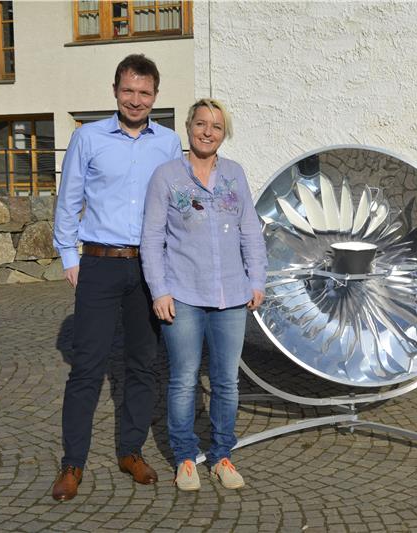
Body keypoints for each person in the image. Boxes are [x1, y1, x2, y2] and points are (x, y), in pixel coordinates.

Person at [52, 54, 183, 501]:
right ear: (115, 91)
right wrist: (69, 257)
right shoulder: (87, 137)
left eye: (144, 93)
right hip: (100, 264)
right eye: (128, 90)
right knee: (87, 368)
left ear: (155, 96)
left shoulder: (168, 143)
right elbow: (69, 200)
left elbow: (175, 207)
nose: (135, 99)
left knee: (143, 365)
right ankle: (73, 463)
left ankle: (131, 451)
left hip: (148, 267)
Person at [140, 98, 267, 491]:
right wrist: (159, 290)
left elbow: (250, 230)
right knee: (183, 380)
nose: (207, 132)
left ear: (224, 133)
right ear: (188, 126)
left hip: (231, 294)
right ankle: (185, 458)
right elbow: (152, 238)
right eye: (201, 124)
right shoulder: (166, 176)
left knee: (226, 382)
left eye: (216, 126)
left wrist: (257, 280)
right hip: (183, 294)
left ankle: (222, 455)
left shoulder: (235, 174)